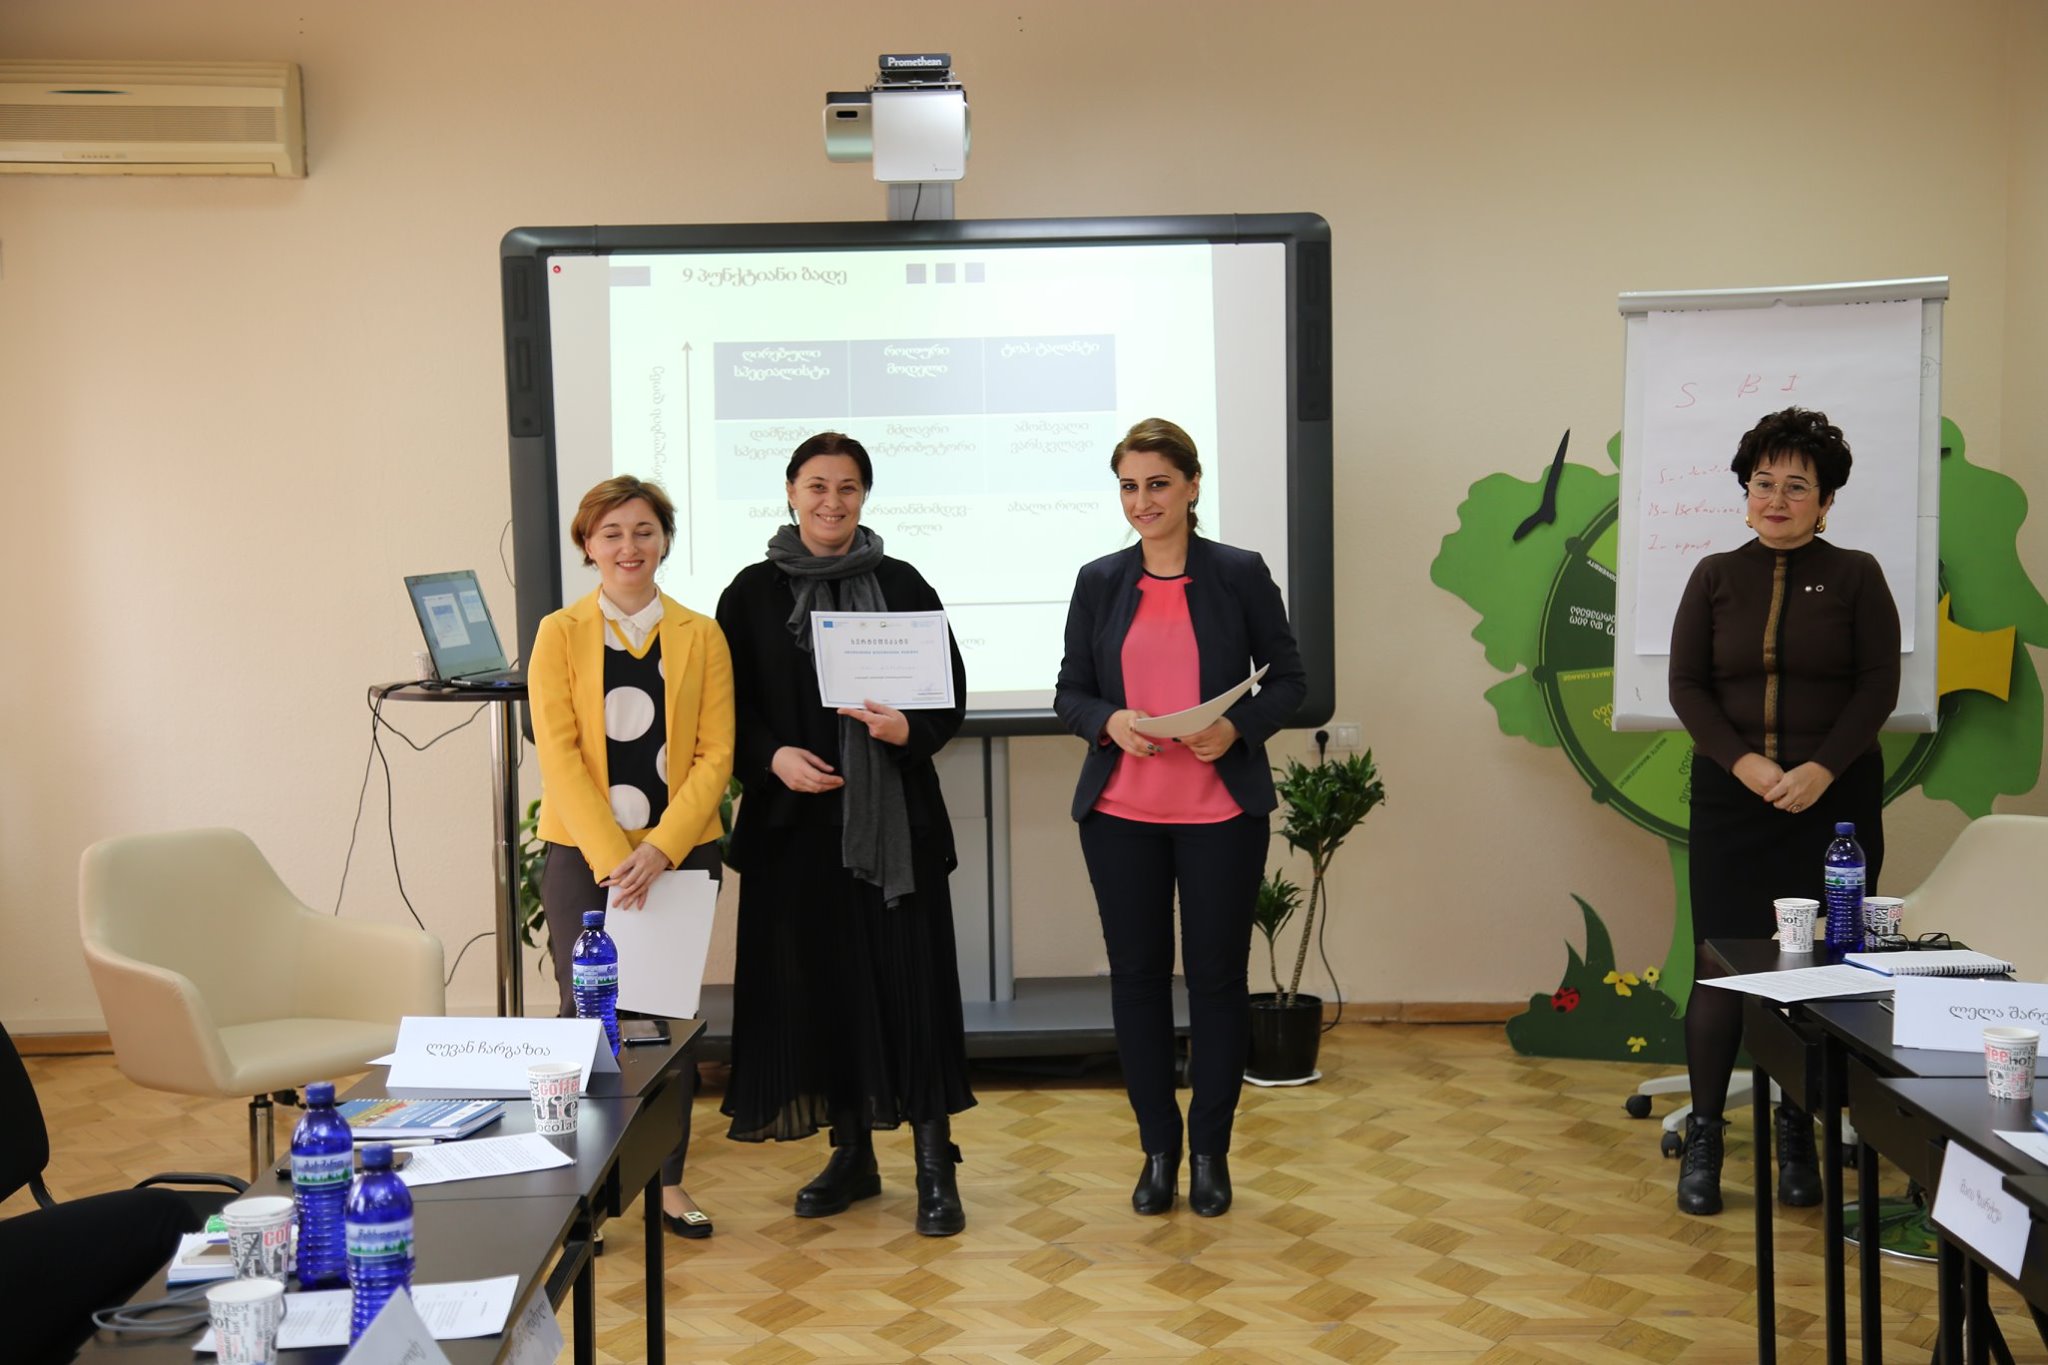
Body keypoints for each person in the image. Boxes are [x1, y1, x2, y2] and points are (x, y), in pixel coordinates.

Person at [716, 431, 974, 1237]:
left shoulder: (902, 583)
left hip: (894, 827)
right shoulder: (750, 594)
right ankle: (852, 1155)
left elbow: (948, 693)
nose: (833, 501)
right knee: (823, 994)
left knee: (913, 989)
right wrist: (771, 757)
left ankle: (934, 1167)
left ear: (865, 496)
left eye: (849, 487)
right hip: (794, 832)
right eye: (818, 485)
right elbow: (725, 711)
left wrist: (908, 727)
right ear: (790, 491)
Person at [1054, 417, 1307, 1217]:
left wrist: (1236, 727)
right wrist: (1108, 719)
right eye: (1129, 486)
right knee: (1136, 981)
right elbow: (1069, 691)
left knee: (1217, 983)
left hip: (1220, 813)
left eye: (1158, 483)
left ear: (1193, 486)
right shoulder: (1099, 580)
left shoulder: (1238, 572)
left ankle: (1211, 1154)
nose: (1142, 501)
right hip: (1120, 813)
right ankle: (1158, 1151)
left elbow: (1291, 680)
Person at [1667, 407, 1901, 1217]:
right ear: (1745, 495)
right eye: (1763, 483)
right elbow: (1688, 686)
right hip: (1731, 799)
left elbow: (1878, 685)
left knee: (1813, 972)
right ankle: (1704, 1137)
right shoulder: (1713, 576)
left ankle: (1797, 1129)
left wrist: (1819, 770)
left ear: (1825, 502)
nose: (1776, 499)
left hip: (1834, 809)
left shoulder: (1858, 575)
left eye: (1796, 486)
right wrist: (1748, 764)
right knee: (1720, 967)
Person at [530, 474, 734, 1239]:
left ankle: (667, 1183)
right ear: (588, 544)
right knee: (584, 1016)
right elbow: (558, 754)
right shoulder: (559, 633)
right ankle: (575, 1185)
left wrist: (659, 849)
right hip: (585, 857)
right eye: (611, 532)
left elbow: (716, 755)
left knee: (667, 1019)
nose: (629, 546)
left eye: (644, 530)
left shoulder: (701, 634)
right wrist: (617, 857)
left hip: (679, 855)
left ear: (665, 540)